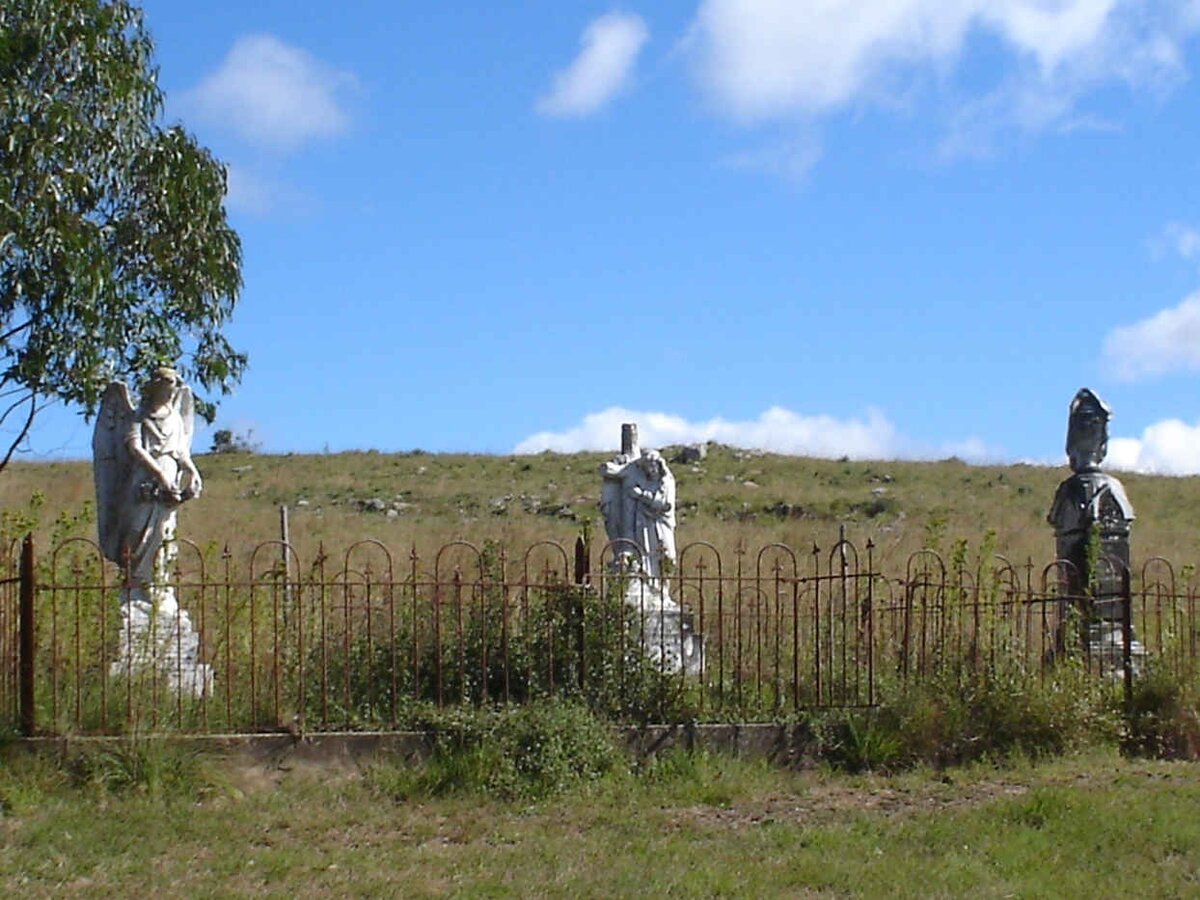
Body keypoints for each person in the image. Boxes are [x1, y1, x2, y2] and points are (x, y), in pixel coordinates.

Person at [94, 367, 201, 597]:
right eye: (165, 386)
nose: (170, 391)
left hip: (169, 475)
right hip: (142, 480)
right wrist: (159, 475)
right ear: (154, 387)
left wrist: (192, 471)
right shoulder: (137, 416)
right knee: (136, 530)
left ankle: (158, 583)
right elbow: (134, 447)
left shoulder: (174, 417)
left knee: (163, 530)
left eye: (172, 386)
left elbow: (181, 450)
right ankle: (136, 583)